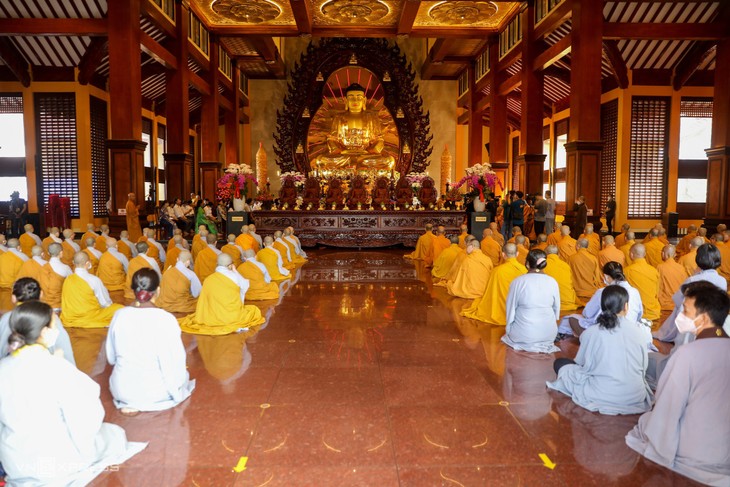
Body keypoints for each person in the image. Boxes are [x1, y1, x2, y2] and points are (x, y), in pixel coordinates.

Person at [0, 301, 146, 485]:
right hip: (54, 464)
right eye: (54, 325)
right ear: (44, 332)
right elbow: (87, 417)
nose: (56, 330)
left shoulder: (4, 367)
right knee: (115, 435)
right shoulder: (57, 368)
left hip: (15, 462)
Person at [626, 283, 730, 486]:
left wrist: (661, 450)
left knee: (646, 422)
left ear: (704, 318)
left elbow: (668, 409)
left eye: (685, 311)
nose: (680, 315)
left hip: (695, 453)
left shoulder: (688, 354)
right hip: (725, 452)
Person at [547, 285, 653, 415]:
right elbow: (643, 366)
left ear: (602, 307)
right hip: (634, 395)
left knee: (560, 364)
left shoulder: (591, 332)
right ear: (626, 307)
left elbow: (582, 364)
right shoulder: (640, 332)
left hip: (601, 394)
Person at [106, 268, 195, 414]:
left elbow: (111, 358)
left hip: (121, 389)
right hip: (156, 392)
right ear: (158, 291)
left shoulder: (119, 315)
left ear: (133, 290)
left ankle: (133, 400)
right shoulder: (166, 319)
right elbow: (176, 361)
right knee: (183, 377)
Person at [178, 253, 266, 335]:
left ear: (217, 264)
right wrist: (235, 271)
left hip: (212, 317)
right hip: (232, 316)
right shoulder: (235, 276)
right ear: (230, 265)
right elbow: (245, 286)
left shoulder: (208, 279)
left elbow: (203, 300)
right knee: (254, 310)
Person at [654, 243, 727, 342]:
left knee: (680, 307)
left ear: (698, 259)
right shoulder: (722, 280)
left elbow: (677, 299)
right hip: (715, 319)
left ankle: (671, 336)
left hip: (694, 319)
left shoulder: (693, 280)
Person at [557, 261, 644, 338]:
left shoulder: (603, 292)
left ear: (606, 277)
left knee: (570, 319)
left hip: (606, 332)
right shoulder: (635, 291)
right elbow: (640, 314)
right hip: (629, 330)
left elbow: (587, 313)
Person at [0, 277, 74, 364]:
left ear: (13, 298)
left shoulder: (7, 318)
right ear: (41, 294)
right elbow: (65, 351)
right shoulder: (50, 317)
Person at [502, 249, 561, 353]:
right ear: (544, 264)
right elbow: (556, 310)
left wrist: (508, 329)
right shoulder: (553, 282)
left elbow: (510, 309)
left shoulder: (518, 282)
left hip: (523, 335)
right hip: (549, 334)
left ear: (527, 264)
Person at [460, 243, 527, 325]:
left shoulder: (497, 271)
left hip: (502, 311)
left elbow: (489, 294)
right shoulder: (525, 271)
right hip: (521, 311)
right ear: (517, 254)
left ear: (503, 254)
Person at [60, 252, 123, 328]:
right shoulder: (94, 280)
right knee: (119, 308)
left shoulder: (68, 279)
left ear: (73, 262)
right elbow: (105, 303)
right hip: (90, 315)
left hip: (70, 317)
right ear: (87, 263)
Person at [624, 243, 661, 322]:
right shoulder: (654, 271)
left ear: (631, 254)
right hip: (653, 313)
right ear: (644, 254)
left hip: (635, 313)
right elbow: (657, 293)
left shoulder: (627, 271)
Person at [543, 245, 581, 311]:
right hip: (568, 299)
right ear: (558, 254)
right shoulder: (565, 265)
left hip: (548, 300)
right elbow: (571, 282)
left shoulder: (543, 265)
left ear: (545, 254)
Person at [39, 242, 72, 311]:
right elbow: (72, 284)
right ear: (61, 253)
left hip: (45, 304)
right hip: (60, 303)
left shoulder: (43, 268)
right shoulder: (66, 268)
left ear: (48, 253)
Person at [657, 244, 688, 311]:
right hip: (679, 303)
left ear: (663, 254)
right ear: (675, 255)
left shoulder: (660, 267)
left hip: (665, 305)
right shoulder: (681, 268)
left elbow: (657, 287)